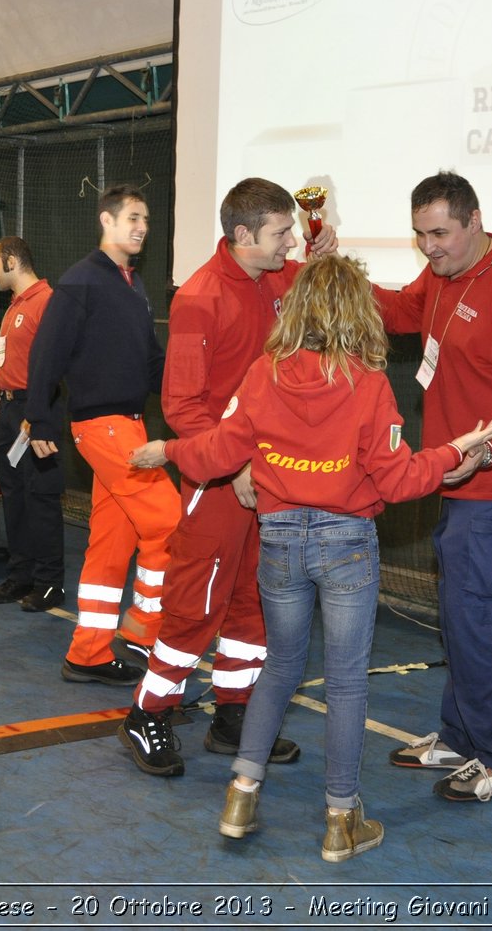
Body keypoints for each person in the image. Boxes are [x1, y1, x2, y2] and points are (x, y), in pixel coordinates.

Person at [129, 254, 492, 862]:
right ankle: (339, 819)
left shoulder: (263, 373)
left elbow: (220, 451)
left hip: (278, 539)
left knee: (278, 669)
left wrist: (168, 448)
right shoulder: (369, 385)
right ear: (358, 314)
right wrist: (451, 455)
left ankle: (240, 796)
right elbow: (397, 477)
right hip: (346, 543)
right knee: (347, 682)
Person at [118, 177, 335, 777]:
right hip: (219, 481)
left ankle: (234, 712)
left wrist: (322, 257)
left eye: (292, 230)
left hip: (269, 480)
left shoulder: (281, 278)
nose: (290, 241)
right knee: (196, 606)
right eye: (280, 233)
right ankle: (147, 713)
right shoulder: (200, 297)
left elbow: (322, 291)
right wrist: (234, 463)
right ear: (243, 236)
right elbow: (183, 408)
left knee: (253, 604)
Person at [375, 170, 492, 804]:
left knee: (477, 620)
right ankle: (459, 735)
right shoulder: (444, 274)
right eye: (421, 235)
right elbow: (399, 310)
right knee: (458, 615)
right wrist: (334, 276)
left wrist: (483, 451)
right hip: (453, 475)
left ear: (474, 221)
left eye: (441, 233)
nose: (430, 247)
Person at [25, 184, 182, 686]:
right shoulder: (81, 281)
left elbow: (151, 359)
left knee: (111, 546)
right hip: (104, 427)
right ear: (106, 221)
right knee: (171, 523)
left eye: (146, 220)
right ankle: (143, 626)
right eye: (133, 217)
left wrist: (186, 399)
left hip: (129, 423)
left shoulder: (131, 284)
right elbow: (47, 352)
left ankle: (87, 653)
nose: (141, 227)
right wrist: (40, 418)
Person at [0, 237, 65, 612]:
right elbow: (6, 365)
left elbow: (54, 367)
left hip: (36, 409)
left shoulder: (48, 302)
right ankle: (22, 574)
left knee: (40, 498)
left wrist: (37, 414)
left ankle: (49, 582)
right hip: (9, 412)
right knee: (14, 496)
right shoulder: (12, 308)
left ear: (11, 262)